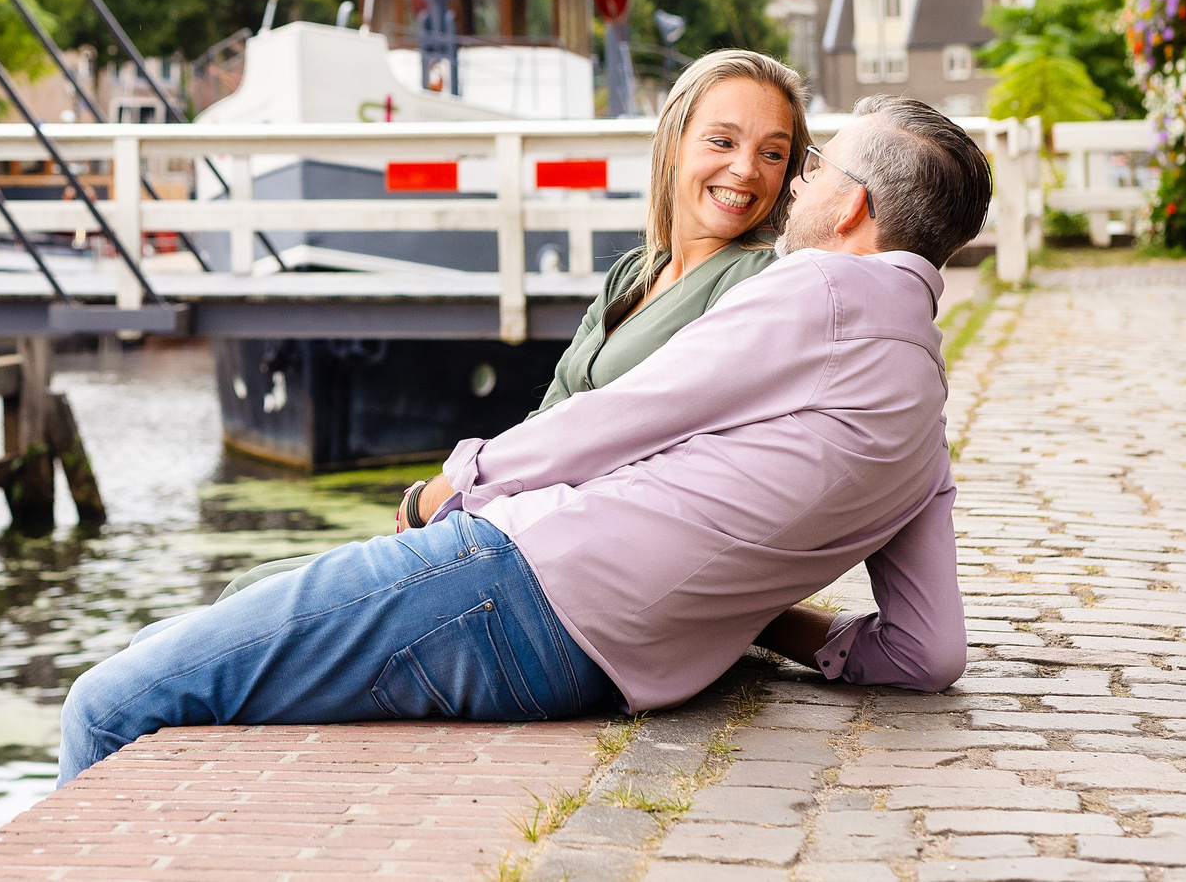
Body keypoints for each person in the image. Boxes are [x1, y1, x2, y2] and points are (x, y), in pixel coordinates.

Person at [58, 94, 990, 784]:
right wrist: (769, 618)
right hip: (592, 673)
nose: (797, 185)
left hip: (511, 580)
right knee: (216, 639)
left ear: (856, 207)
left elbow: (628, 414)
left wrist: (455, 485)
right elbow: (927, 653)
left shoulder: (818, 288)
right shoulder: (925, 417)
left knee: (110, 702)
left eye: (816, 164)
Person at [214, 48, 811, 602]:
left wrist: (455, 489)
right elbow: (548, 419)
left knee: (262, 597)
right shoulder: (631, 273)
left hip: (572, 560)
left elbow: (622, 434)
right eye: (722, 140)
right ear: (675, 142)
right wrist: (463, 496)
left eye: (772, 153)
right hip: (517, 526)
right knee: (255, 583)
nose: (745, 170)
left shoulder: (754, 282)